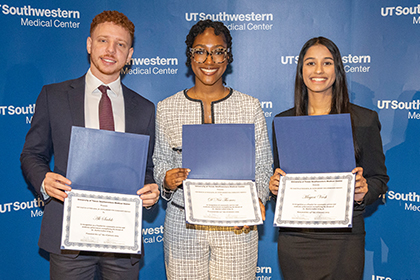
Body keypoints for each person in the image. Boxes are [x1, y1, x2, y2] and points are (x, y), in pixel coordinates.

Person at [20, 10, 159, 280]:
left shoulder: (144, 109)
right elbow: (32, 154)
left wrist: (150, 192)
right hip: (69, 238)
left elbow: (146, 169)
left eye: (120, 44)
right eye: (103, 41)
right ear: (89, 45)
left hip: (122, 238)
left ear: (129, 54)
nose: (111, 50)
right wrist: (43, 180)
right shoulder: (54, 96)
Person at [152, 19, 273, 279]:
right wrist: (166, 178)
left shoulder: (249, 106)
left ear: (228, 57)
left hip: (236, 225)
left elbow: (263, 166)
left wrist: (259, 198)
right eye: (200, 51)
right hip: (183, 223)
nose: (209, 60)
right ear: (190, 55)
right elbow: (160, 161)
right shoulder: (167, 107)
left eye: (218, 51)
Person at [269, 37, 389, 280]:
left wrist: (364, 191)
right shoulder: (284, 122)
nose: (319, 70)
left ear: (338, 70)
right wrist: (275, 188)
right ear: (301, 70)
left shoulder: (364, 120)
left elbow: (379, 178)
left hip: (344, 238)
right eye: (310, 63)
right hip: (296, 238)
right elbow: (282, 176)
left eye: (327, 63)